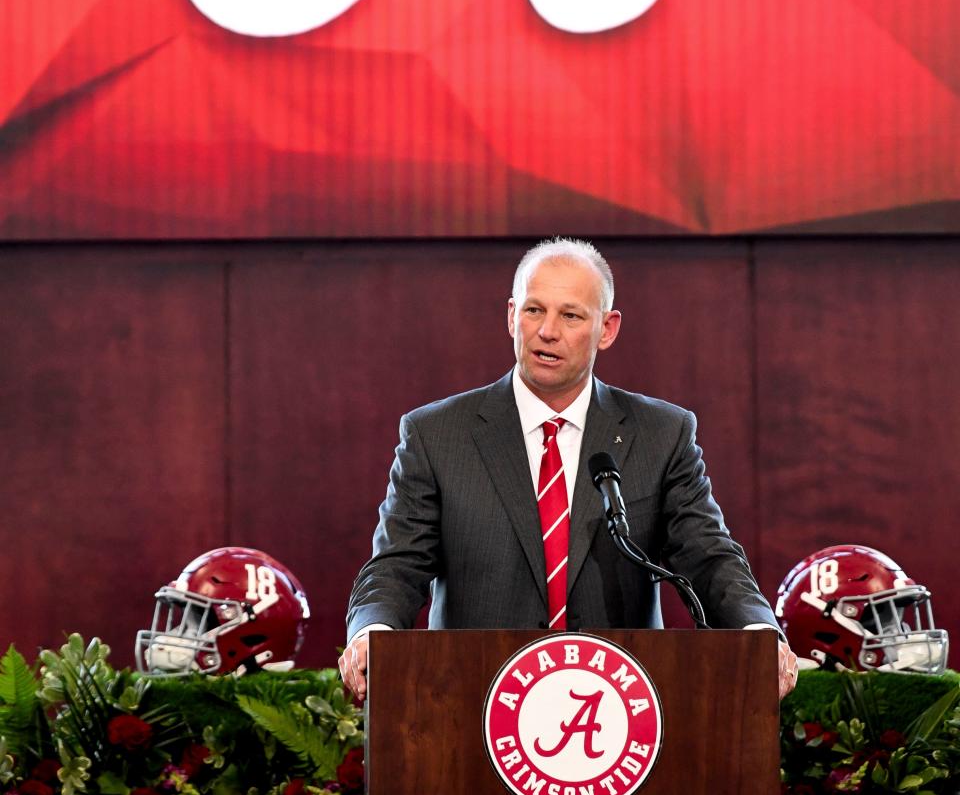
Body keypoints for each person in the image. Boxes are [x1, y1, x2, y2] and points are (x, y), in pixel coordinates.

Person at [340, 238, 798, 701]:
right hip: (473, 701)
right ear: (510, 316)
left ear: (607, 328)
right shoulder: (437, 434)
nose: (547, 332)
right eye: (534, 311)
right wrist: (370, 630)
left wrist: (757, 629)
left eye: (571, 315)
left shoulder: (661, 434)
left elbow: (707, 556)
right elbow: (398, 564)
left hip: (618, 709)